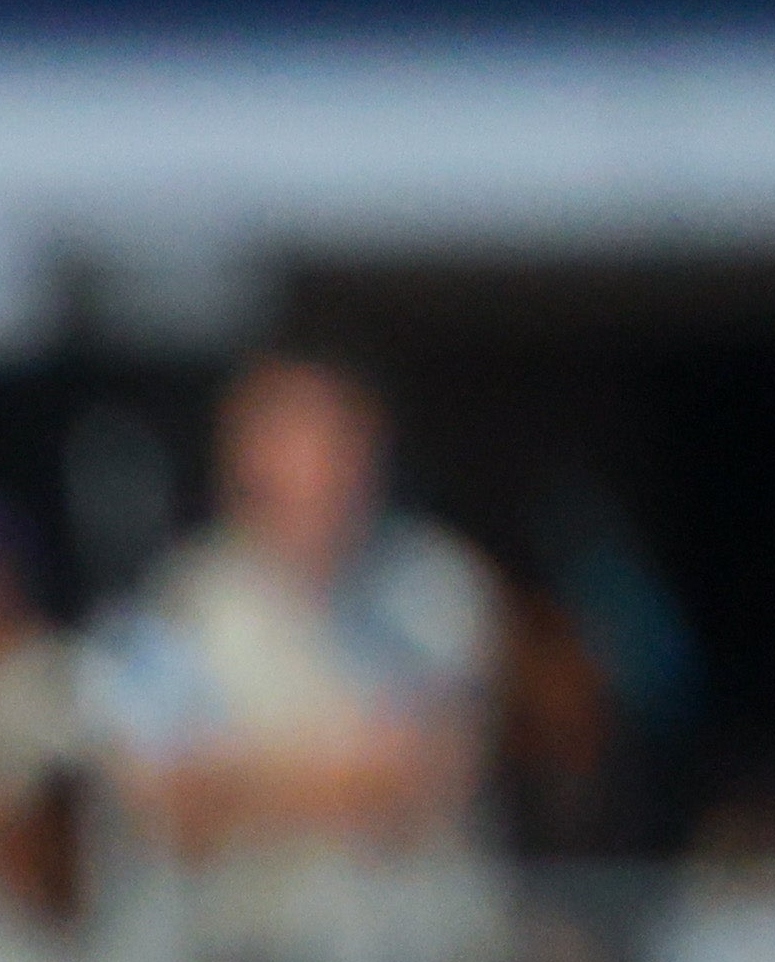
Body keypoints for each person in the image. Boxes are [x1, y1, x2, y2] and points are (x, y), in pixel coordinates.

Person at [88, 356, 491, 902]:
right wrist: (339, 777)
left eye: (332, 444)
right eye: (283, 441)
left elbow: (420, 781)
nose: (313, 471)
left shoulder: (434, 585)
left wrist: (237, 778)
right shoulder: (179, 600)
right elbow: (166, 804)